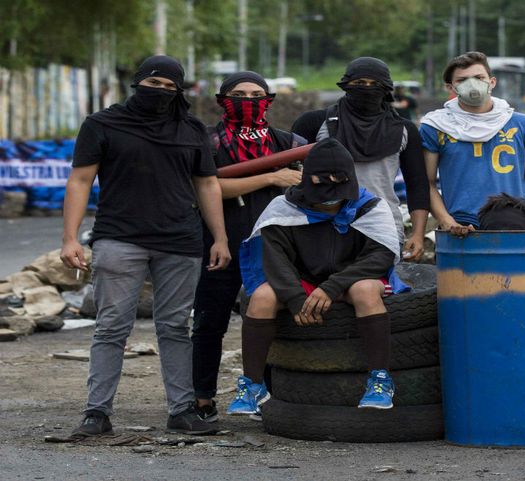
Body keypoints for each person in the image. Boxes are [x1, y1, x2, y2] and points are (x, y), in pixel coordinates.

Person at [61, 55, 230, 437]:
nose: (161, 93)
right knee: (110, 327)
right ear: (137, 84)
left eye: (171, 88)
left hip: (181, 243)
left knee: (174, 327)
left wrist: (219, 237)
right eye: (154, 85)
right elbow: (80, 180)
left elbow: (207, 184)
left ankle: (182, 410)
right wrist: (70, 237)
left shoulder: (191, 130)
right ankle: (97, 413)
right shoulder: (102, 124)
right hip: (119, 239)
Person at [228, 138, 404, 416]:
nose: (330, 196)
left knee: (366, 291)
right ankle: (252, 384)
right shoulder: (282, 209)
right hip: (303, 278)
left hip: (351, 279)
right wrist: (296, 299)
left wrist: (332, 287)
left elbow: (380, 257)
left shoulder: (370, 206)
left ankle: (380, 379)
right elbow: (275, 260)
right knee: (261, 297)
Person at [191, 71, 306, 423]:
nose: (249, 100)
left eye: (257, 93)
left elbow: (307, 183)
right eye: (239, 93)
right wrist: (272, 177)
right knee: (210, 322)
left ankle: (270, 394)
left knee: (272, 321)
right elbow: (205, 188)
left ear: (269, 99)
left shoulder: (288, 142)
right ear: (222, 99)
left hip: (275, 247)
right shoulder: (207, 141)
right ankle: (201, 397)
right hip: (220, 243)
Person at [290, 57, 430, 259]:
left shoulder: (404, 130)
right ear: (346, 85)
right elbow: (291, 176)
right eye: (359, 83)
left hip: (383, 226)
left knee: (374, 289)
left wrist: (417, 234)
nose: (367, 88)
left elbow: (417, 183)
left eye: (375, 84)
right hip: (321, 225)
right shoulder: (314, 123)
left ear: (386, 88)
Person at [419, 51, 525, 236]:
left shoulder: (524, 124)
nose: (472, 83)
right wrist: (448, 223)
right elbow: (426, 183)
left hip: (513, 219)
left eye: (478, 77)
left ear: (492, 82)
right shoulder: (434, 126)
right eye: (462, 80)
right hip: (460, 225)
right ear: (450, 87)